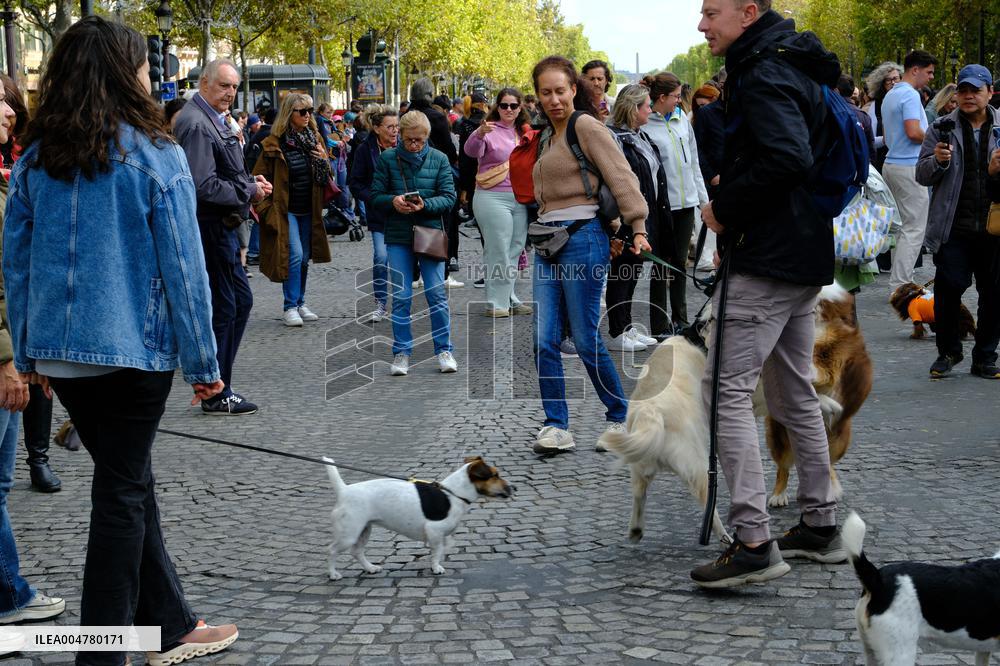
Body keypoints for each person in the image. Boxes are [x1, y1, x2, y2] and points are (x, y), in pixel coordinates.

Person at [2, 17, 238, 663]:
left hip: (61, 352)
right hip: (134, 352)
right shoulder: (155, 155)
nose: (149, 74)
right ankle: (101, 653)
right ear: (122, 73)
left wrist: (29, 353)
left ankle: (168, 627)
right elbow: (186, 272)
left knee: (127, 481)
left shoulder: (34, 158)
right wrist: (205, 364)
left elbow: (15, 264)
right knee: (120, 496)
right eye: (142, 64)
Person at [692, 0, 846, 588]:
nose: (702, 24)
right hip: (802, 252)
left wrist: (723, 210)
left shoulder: (762, 70)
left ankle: (754, 539)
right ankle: (820, 522)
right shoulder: (788, 60)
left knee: (724, 393)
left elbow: (787, 156)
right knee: (790, 389)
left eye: (711, 12)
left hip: (769, 258)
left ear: (748, 12)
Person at [529, 56, 650, 455]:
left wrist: (637, 227)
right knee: (544, 340)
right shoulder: (547, 136)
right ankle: (556, 425)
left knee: (583, 338)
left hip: (583, 241)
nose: (553, 99)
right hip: (548, 243)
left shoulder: (585, 125)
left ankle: (619, 415)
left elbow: (621, 176)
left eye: (560, 90)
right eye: (545, 92)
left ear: (574, 89)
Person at [0, 67, 66, 633]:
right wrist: (10, 357)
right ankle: (9, 593)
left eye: (6, 101)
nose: (5, 111)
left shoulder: (12, 170)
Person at [175, 59, 272, 415]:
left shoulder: (210, 118)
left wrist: (248, 185)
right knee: (228, 305)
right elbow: (203, 186)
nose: (230, 93)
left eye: (234, 87)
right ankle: (216, 389)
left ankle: (216, 384)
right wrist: (248, 192)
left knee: (238, 303)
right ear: (204, 83)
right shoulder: (197, 123)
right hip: (212, 225)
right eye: (223, 86)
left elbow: (222, 174)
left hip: (223, 224)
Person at [916, 64, 1000, 379]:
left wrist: (995, 174)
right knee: (948, 290)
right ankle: (949, 351)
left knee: (993, 295)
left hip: (994, 228)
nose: (967, 96)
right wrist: (936, 163)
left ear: (989, 93)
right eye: (963, 90)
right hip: (954, 227)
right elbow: (921, 175)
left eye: (975, 90)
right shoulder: (940, 127)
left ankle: (986, 356)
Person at [0, 73, 61, 493]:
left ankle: (38, 455)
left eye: (9, 102)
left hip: (33, 291)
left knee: (39, 381)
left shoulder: (27, 158)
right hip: (10, 309)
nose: (7, 111)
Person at [369, 110, 458, 376]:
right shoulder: (387, 159)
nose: (414, 145)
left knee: (436, 293)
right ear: (400, 136)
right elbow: (375, 196)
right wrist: (393, 201)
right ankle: (401, 352)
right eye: (409, 140)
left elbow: (449, 198)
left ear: (427, 137)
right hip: (398, 234)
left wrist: (425, 205)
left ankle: (444, 349)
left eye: (419, 140)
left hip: (429, 232)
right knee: (402, 296)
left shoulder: (439, 159)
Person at [604, 84, 673, 354]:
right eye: (647, 105)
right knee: (622, 272)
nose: (651, 109)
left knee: (633, 271)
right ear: (634, 109)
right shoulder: (614, 138)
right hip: (625, 215)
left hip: (646, 211)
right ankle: (617, 329)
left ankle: (627, 325)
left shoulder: (638, 136)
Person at [252, 93, 332, 327]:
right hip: (285, 209)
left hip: (310, 207)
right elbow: (259, 178)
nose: (308, 115)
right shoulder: (272, 143)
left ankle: (300, 301)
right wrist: (266, 209)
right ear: (289, 114)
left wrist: (324, 159)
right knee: (294, 255)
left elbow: (327, 177)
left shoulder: (314, 137)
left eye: (310, 110)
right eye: (302, 111)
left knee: (305, 258)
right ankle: (289, 306)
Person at [643, 71, 709, 334]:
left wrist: (703, 202)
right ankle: (659, 323)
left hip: (686, 203)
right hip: (661, 207)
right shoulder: (646, 125)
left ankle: (680, 319)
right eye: (676, 96)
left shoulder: (683, 120)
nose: (680, 101)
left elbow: (694, 162)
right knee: (660, 264)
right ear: (661, 98)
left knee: (680, 263)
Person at [464, 88, 532, 317]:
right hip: (492, 197)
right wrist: (480, 133)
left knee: (514, 248)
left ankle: (509, 297)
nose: (509, 110)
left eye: (514, 105)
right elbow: (470, 151)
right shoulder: (488, 129)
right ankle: (495, 302)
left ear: (520, 107)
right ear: (497, 106)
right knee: (499, 249)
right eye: (504, 105)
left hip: (519, 198)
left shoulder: (525, 132)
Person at [882, 50, 937, 292]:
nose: (931, 77)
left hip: (892, 164)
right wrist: (937, 140)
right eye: (929, 72)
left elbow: (887, 136)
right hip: (909, 166)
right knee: (914, 228)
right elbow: (914, 132)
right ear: (915, 69)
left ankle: (899, 281)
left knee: (904, 227)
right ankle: (901, 285)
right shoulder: (911, 95)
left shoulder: (890, 95)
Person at [349, 104, 399, 322]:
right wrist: (374, 198)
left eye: (397, 126)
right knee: (381, 257)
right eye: (390, 127)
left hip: (405, 213)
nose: (395, 131)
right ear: (377, 128)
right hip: (379, 214)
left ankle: (402, 304)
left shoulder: (407, 145)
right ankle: (381, 303)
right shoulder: (365, 149)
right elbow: (355, 183)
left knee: (403, 260)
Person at [405, 79, 458, 165]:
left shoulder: (406, 115)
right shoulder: (437, 117)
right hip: (435, 165)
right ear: (429, 94)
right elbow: (447, 145)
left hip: (408, 163)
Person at [864, 61, 903, 169]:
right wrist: (885, 140)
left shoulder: (907, 102)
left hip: (904, 161)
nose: (893, 82)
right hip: (882, 162)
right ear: (882, 84)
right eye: (888, 80)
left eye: (896, 78)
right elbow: (869, 140)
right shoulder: (875, 107)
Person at [837, 74, 875, 156]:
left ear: (836, 90)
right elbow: (871, 147)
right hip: (859, 164)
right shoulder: (863, 116)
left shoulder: (829, 111)